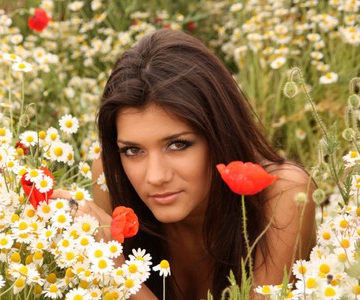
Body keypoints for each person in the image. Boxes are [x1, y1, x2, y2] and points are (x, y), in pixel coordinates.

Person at [54, 29, 316, 299]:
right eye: (133, 150)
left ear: (219, 134)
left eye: (178, 145)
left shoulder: (284, 193)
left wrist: (117, 270)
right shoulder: (112, 176)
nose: (155, 176)